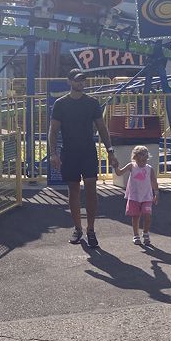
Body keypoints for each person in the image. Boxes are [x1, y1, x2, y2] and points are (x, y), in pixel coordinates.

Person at [48, 68, 119, 248]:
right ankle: (78, 228)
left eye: (83, 80)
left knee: (90, 189)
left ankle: (91, 229)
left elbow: (102, 128)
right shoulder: (60, 104)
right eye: (77, 80)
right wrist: (53, 153)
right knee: (73, 190)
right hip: (70, 152)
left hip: (88, 151)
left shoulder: (92, 103)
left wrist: (110, 152)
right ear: (69, 81)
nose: (81, 83)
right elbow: (53, 130)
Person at [113, 145, 159, 247]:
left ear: (147, 158)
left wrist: (156, 194)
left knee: (147, 215)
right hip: (134, 196)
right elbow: (119, 173)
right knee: (135, 216)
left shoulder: (149, 169)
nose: (142, 163)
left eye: (144, 160)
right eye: (140, 160)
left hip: (147, 196)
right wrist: (116, 166)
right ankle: (136, 235)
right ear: (135, 158)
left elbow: (154, 182)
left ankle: (146, 233)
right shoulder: (131, 166)